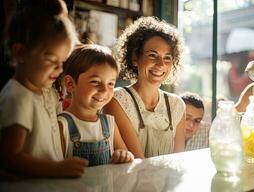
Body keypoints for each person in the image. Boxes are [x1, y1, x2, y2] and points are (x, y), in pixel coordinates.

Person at [0, 0, 88, 178]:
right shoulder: (18, 97)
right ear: (20, 53)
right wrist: (56, 169)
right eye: (51, 60)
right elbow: (9, 157)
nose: (60, 69)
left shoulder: (44, 93)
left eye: (62, 61)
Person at [104, 16, 186, 158]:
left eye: (167, 57)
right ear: (135, 58)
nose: (161, 64)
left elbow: (178, 161)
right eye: (152, 55)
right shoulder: (117, 100)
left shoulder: (177, 105)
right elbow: (137, 161)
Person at [57, 44, 134, 166]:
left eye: (110, 84)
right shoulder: (62, 125)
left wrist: (124, 155)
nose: (104, 90)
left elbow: (125, 155)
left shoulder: (109, 124)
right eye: (95, 82)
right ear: (70, 84)